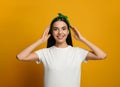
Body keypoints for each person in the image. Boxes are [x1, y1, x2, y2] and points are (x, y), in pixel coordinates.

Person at [16, 13, 107, 87]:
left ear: (68, 32)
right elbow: (20, 57)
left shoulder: (78, 52)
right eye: (56, 29)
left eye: (63, 29)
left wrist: (82, 38)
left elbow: (102, 55)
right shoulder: (45, 53)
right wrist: (41, 40)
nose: (60, 32)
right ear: (51, 32)